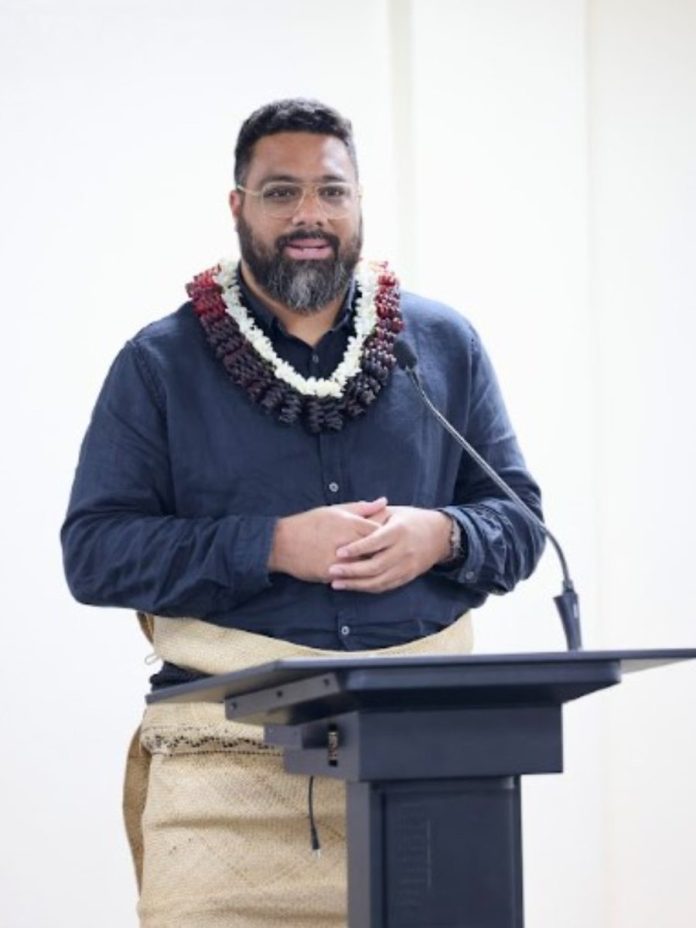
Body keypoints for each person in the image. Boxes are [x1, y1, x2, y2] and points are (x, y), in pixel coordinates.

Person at [61, 98, 545, 928]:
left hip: (428, 771)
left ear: (360, 201)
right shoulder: (159, 364)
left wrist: (444, 534)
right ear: (238, 204)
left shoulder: (443, 346)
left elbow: (523, 526)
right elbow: (96, 554)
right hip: (224, 788)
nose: (310, 215)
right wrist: (271, 546)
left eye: (331, 191)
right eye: (281, 192)